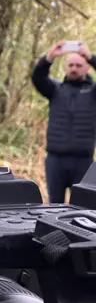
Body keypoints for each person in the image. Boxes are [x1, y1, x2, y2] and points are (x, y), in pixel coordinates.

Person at [32, 41, 96, 203]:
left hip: (83, 161)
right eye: (71, 65)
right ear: (66, 67)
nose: (74, 68)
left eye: (79, 65)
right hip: (55, 160)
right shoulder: (55, 89)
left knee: (83, 208)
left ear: (87, 67)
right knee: (55, 206)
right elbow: (38, 78)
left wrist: (90, 57)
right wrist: (49, 58)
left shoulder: (93, 92)